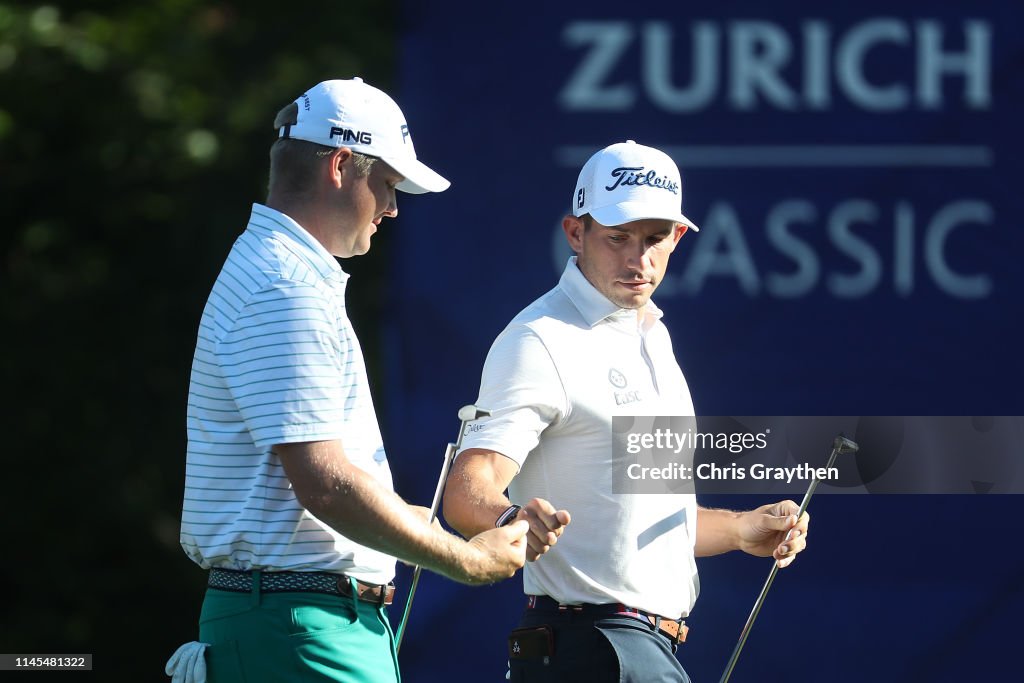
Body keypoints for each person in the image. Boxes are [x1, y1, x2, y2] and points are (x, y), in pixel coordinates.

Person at [171, 78, 529, 683]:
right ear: (341, 166)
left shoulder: (278, 271)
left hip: (294, 619)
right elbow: (326, 486)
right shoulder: (286, 288)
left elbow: (317, 484)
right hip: (299, 626)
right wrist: (464, 560)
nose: (392, 208)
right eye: (388, 185)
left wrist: (403, 521)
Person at [442, 140, 810, 682]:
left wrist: (737, 529)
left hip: (636, 650)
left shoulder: (652, 338)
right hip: (590, 646)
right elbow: (465, 486)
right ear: (575, 233)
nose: (638, 259)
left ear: (678, 239)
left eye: (655, 239)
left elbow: (637, 521)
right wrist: (507, 518)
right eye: (618, 238)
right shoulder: (539, 339)